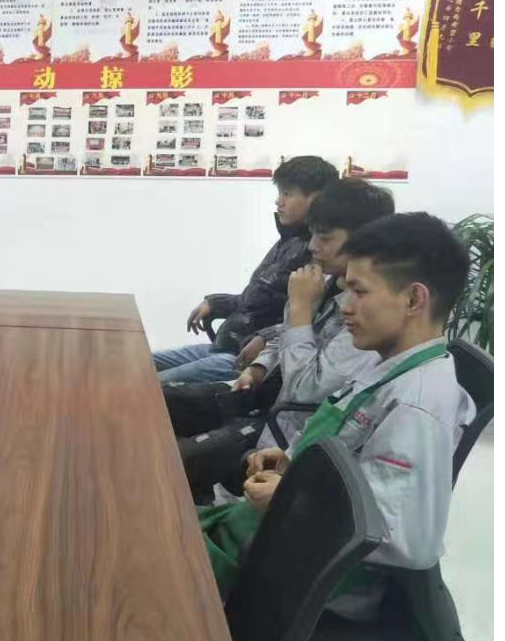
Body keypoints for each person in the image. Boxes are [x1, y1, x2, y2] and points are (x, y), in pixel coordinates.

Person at [200, 213, 475, 624]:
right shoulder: (387, 363)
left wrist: (293, 502)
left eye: (359, 292)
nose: (345, 307)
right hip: (286, 537)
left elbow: (407, 541)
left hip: (311, 579)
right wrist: (292, 461)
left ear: (413, 300)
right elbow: (351, 445)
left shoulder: (417, 406)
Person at [166, 178, 395, 500]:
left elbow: (307, 388)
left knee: (172, 461)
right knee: (162, 400)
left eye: (324, 237)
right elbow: (285, 335)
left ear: (364, 241)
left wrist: (300, 308)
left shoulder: (366, 313)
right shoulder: (322, 281)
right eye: (312, 234)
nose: (312, 246)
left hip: (285, 427)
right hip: (261, 396)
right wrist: (260, 365)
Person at [154, 156, 338, 384]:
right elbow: (259, 299)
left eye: (287, 194)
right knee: (141, 361)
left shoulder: (319, 256)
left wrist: (265, 337)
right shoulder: (288, 241)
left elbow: (302, 319)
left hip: (245, 358)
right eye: (280, 193)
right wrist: (215, 303)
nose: (278, 201)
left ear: (316, 199)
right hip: (227, 345)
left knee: (150, 383)